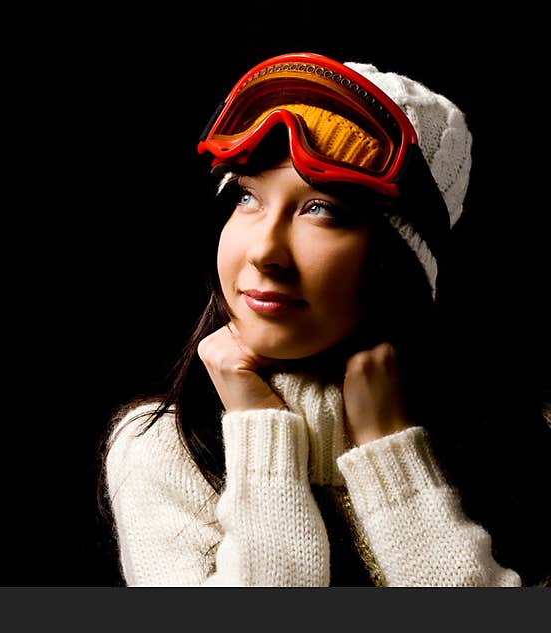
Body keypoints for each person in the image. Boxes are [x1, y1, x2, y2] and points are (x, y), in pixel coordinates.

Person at [98, 52, 549, 586]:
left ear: (400, 260)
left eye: (322, 209)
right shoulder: (162, 449)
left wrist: (391, 453)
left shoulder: (521, 437)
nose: (265, 252)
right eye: (248, 197)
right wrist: (259, 431)